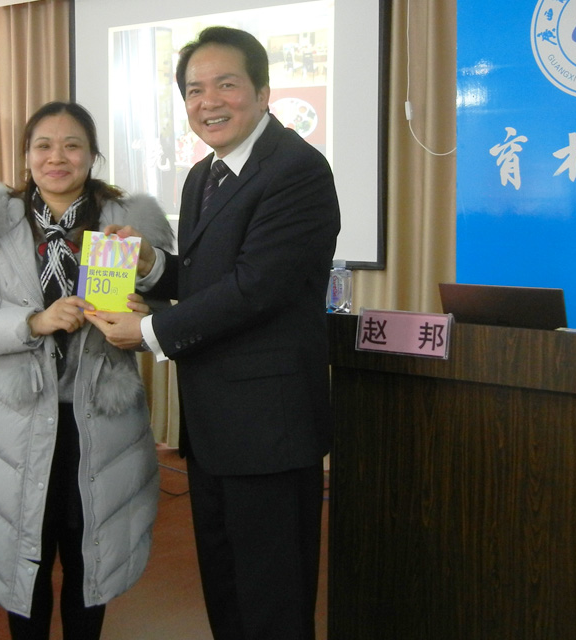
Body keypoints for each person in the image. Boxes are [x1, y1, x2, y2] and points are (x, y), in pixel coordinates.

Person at [86, 26, 341, 640]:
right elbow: (210, 279)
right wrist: (152, 264)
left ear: (263, 91)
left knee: (273, 603)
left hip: (271, 427)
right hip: (214, 424)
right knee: (226, 593)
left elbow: (257, 287)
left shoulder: (298, 169)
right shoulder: (204, 174)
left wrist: (150, 331)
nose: (208, 102)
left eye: (226, 84)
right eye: (194, 90)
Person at [0, 101, 174, 640]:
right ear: (26, 155)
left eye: (72, 146)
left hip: (102, 425)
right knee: (22, 561)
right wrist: (34, 321)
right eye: (43, 146)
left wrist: (142, 317)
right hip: (14, 425)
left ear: (92, 155)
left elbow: (169, 314)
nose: (57, 157)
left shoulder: (129, 224)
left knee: (90, 562)